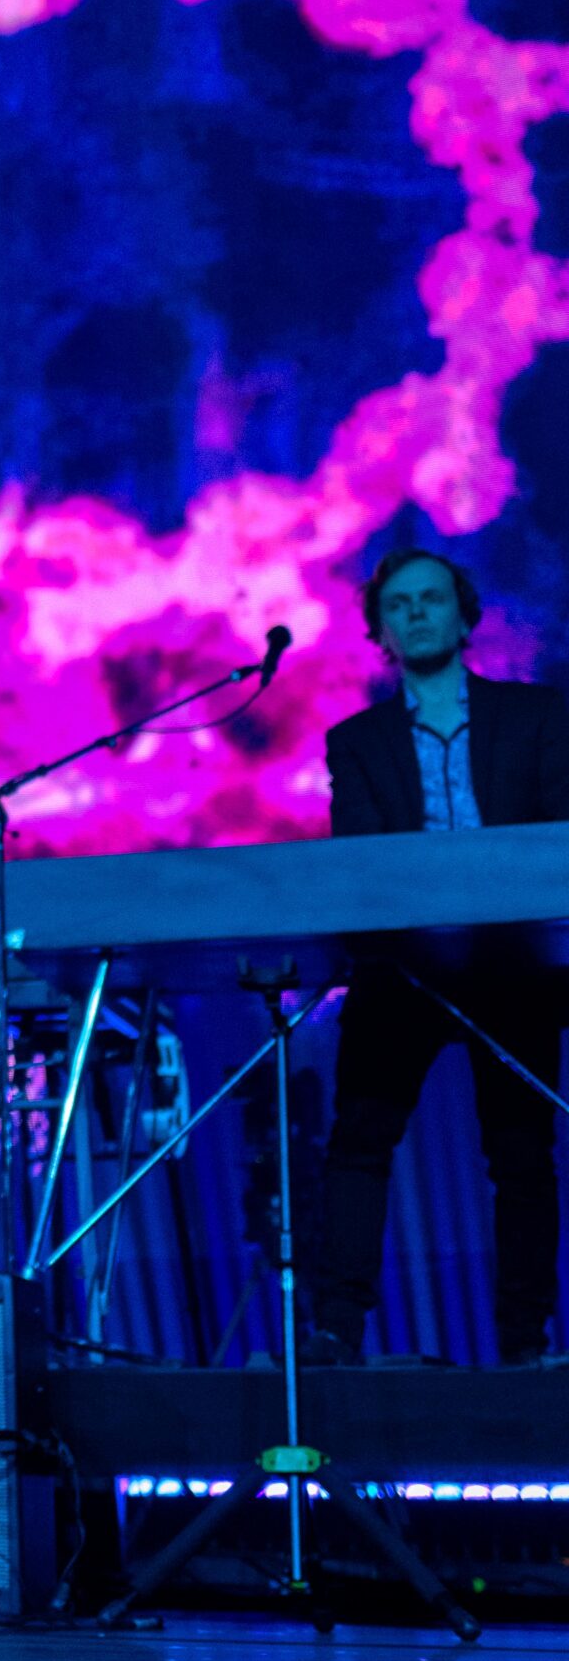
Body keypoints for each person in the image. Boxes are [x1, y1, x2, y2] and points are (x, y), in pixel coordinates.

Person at [312, 548, 569, 1364]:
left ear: (462, 616)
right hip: (403, 971)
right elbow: (361, 862)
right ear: (382, 632)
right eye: (399, 604)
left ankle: (524, 1346)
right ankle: (336, 1331)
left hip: (514, 968)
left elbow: (555, 847)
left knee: (522, 1156)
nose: (417, 613)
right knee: (359, 1140)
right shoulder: (356, 741)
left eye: (430, 599)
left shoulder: (536, 717)